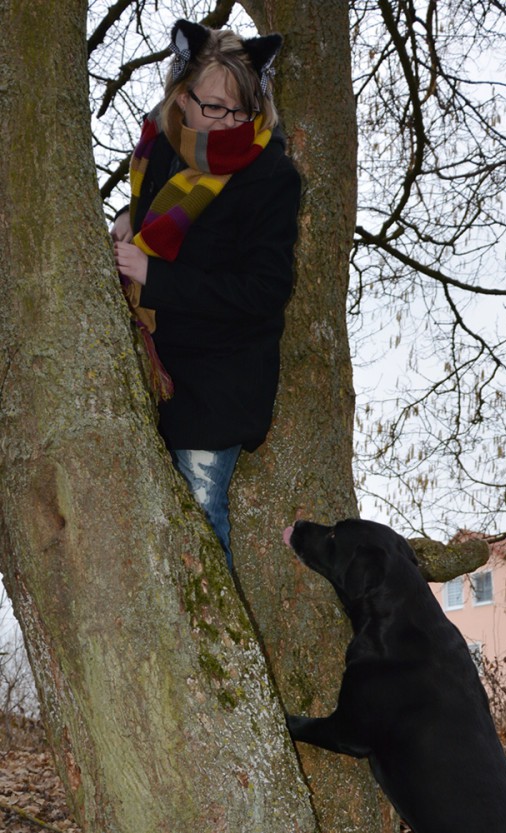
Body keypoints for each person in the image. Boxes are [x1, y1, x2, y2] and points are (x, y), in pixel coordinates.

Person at [112, 19, 301, 570]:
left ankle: (209, 654)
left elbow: (264, 292)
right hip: (155, 370)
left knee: (197, 533)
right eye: (213, 106)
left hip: (217, 384)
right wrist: (131, 214)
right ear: (181, 95)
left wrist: (154, 274)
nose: (227, 123)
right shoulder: (163, 149)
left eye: (240, 109)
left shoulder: (270, 177)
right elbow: (161, 210)